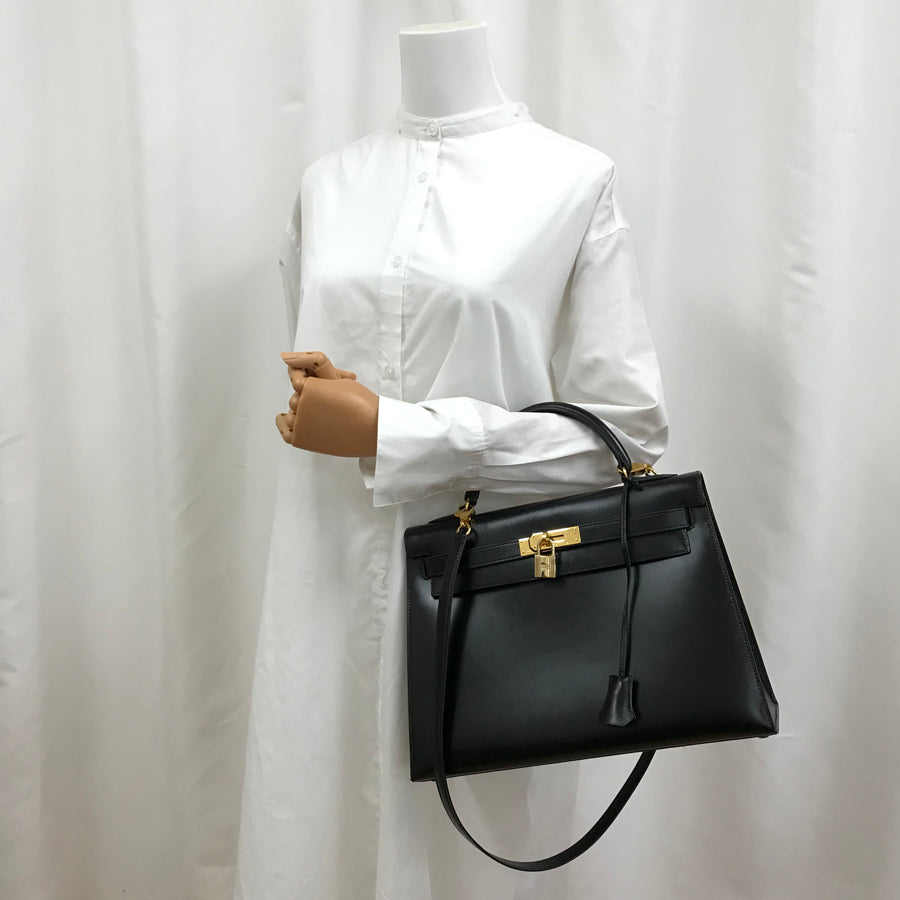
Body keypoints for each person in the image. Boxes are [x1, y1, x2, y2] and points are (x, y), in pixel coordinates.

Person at [233, 18, 669, 900]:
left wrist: (395, 431)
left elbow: (626, 436)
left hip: (492, 597)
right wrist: (348, 412)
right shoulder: (328, 184)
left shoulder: (572, 180)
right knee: (314, 828)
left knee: (472, 849)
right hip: (322, 578)